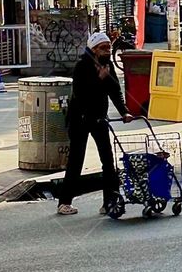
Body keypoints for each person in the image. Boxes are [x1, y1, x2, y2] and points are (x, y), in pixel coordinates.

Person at [57, 31, 133, 217]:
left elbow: (114, 90)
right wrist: (99, 79)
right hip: (80, 119)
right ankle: (64, 202)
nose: (107, 50)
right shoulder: (82, 66)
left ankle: (110, 201)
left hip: (99, 118)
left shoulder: (108, 65)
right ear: (94, 49)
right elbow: (81, 93)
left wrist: (124, 111)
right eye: (103, 48)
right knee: (76, 160)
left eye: (109, 47)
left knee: (108, 160)